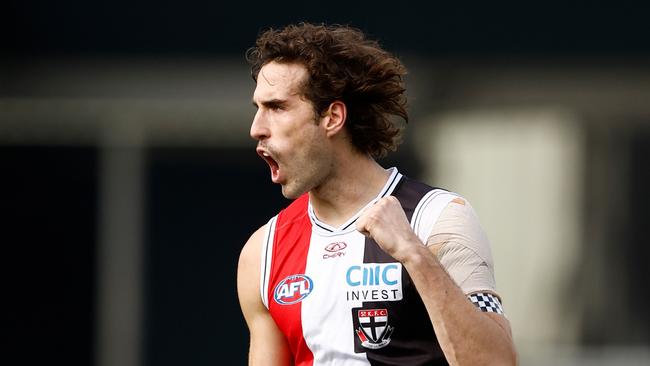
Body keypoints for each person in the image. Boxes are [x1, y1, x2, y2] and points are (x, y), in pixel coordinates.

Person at [237, 23, 516, 366]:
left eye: (277, 107)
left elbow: (496, 361)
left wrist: (413, 254)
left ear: (332, 117)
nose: (256, 128)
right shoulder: (263, 252)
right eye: (257, 108)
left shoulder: (438, 219)